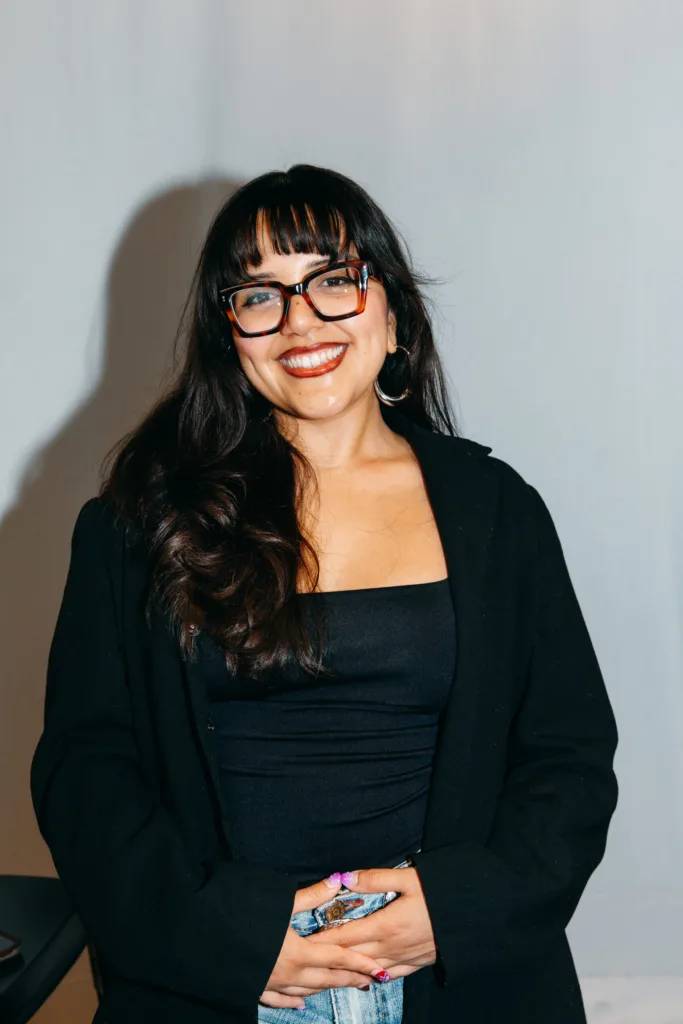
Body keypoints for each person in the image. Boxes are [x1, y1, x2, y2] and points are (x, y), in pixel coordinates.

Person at [30, 163, 619, 1024]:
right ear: (229, 332)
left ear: (393, 312)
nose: (299, 319)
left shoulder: (500, 513)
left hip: (453, 981)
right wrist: (232, 934)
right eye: (259, 295)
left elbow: (565, 756)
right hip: (220, 984)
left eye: (332, 282)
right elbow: (85, 774)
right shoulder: (135, 524)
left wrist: (454, 910)